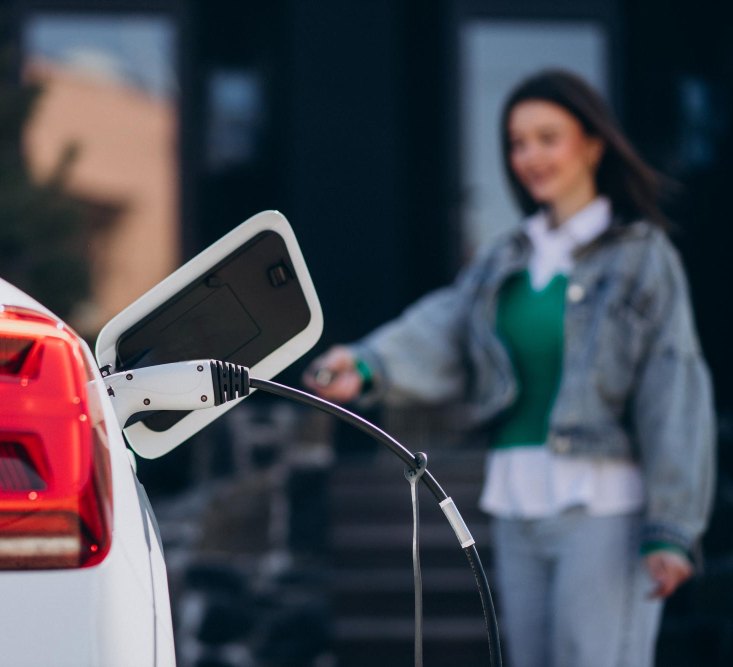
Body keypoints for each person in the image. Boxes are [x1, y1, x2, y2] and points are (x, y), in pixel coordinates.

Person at [303, 70, 716, 667]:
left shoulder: (641, 257)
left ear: (592, 145)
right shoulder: (506, 256)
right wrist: (366, 364)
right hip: (518, 502)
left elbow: (674, 388)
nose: (529, 157)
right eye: (518, 143)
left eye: (548, 137)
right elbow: (445, 326)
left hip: (602, 508)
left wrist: (672, 527)